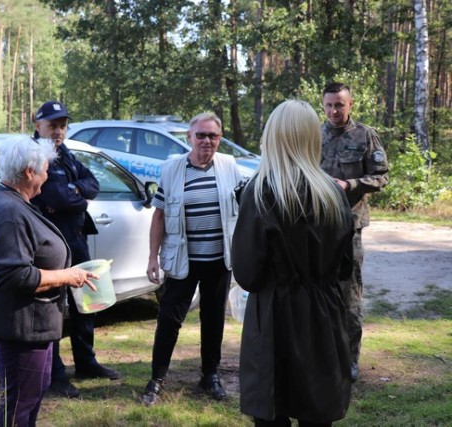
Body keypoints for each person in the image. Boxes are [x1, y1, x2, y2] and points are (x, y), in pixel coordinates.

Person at [231, 100, 354, 426]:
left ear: (273, 136)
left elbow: (246, 272)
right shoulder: (334, 193)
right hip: (322, 317)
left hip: (274, 320)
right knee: (318, 413)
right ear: (311, 138)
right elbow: (344, 268)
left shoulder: (259, 192)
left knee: (273, 413)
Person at [0, 136, 99, 426]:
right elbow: (13, 275)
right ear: (29, 172)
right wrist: (68, 275)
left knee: (31, 395)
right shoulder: (8, 212)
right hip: (20, 329)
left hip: (31, 326)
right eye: (44, 170)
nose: (47, 177)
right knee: (19, 404)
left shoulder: (7, 200)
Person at [141, 112, 245, 405]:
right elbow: (159, 215)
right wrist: (152, 257)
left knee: (213, 320)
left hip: (218, 260)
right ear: (189, 137)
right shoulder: (172, 169)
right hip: (183, 259)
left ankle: (209, 375)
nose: (206, 141)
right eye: (200, 135)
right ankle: (157, 378)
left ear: (220, 138)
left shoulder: (230, 166)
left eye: (212, 136)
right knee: (169, 319)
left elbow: (244, 209)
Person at [31, 100, 120, 399]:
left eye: (62, 125)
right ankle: (55, 374)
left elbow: (92, 183)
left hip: (76, 238)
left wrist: (77, 190)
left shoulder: (65, 153)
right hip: (51, 243)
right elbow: (57, 198)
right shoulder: (35, 155)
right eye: (52, 125)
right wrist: (77, 194)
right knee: (54, 309)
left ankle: (86, 362)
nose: (58, 131)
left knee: (86, 300)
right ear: (37, 125)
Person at [320, 82, 389, 381]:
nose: (334, 111)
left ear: (350, 104)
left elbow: (381, 176)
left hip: (349, 227)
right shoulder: (313, 134)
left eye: (339, 105)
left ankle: (349, 360)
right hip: (317, 227)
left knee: (349, 295)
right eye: (329, 105)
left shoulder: (365, 135)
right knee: (319, 293)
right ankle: (321, 355)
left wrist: (351, 184)